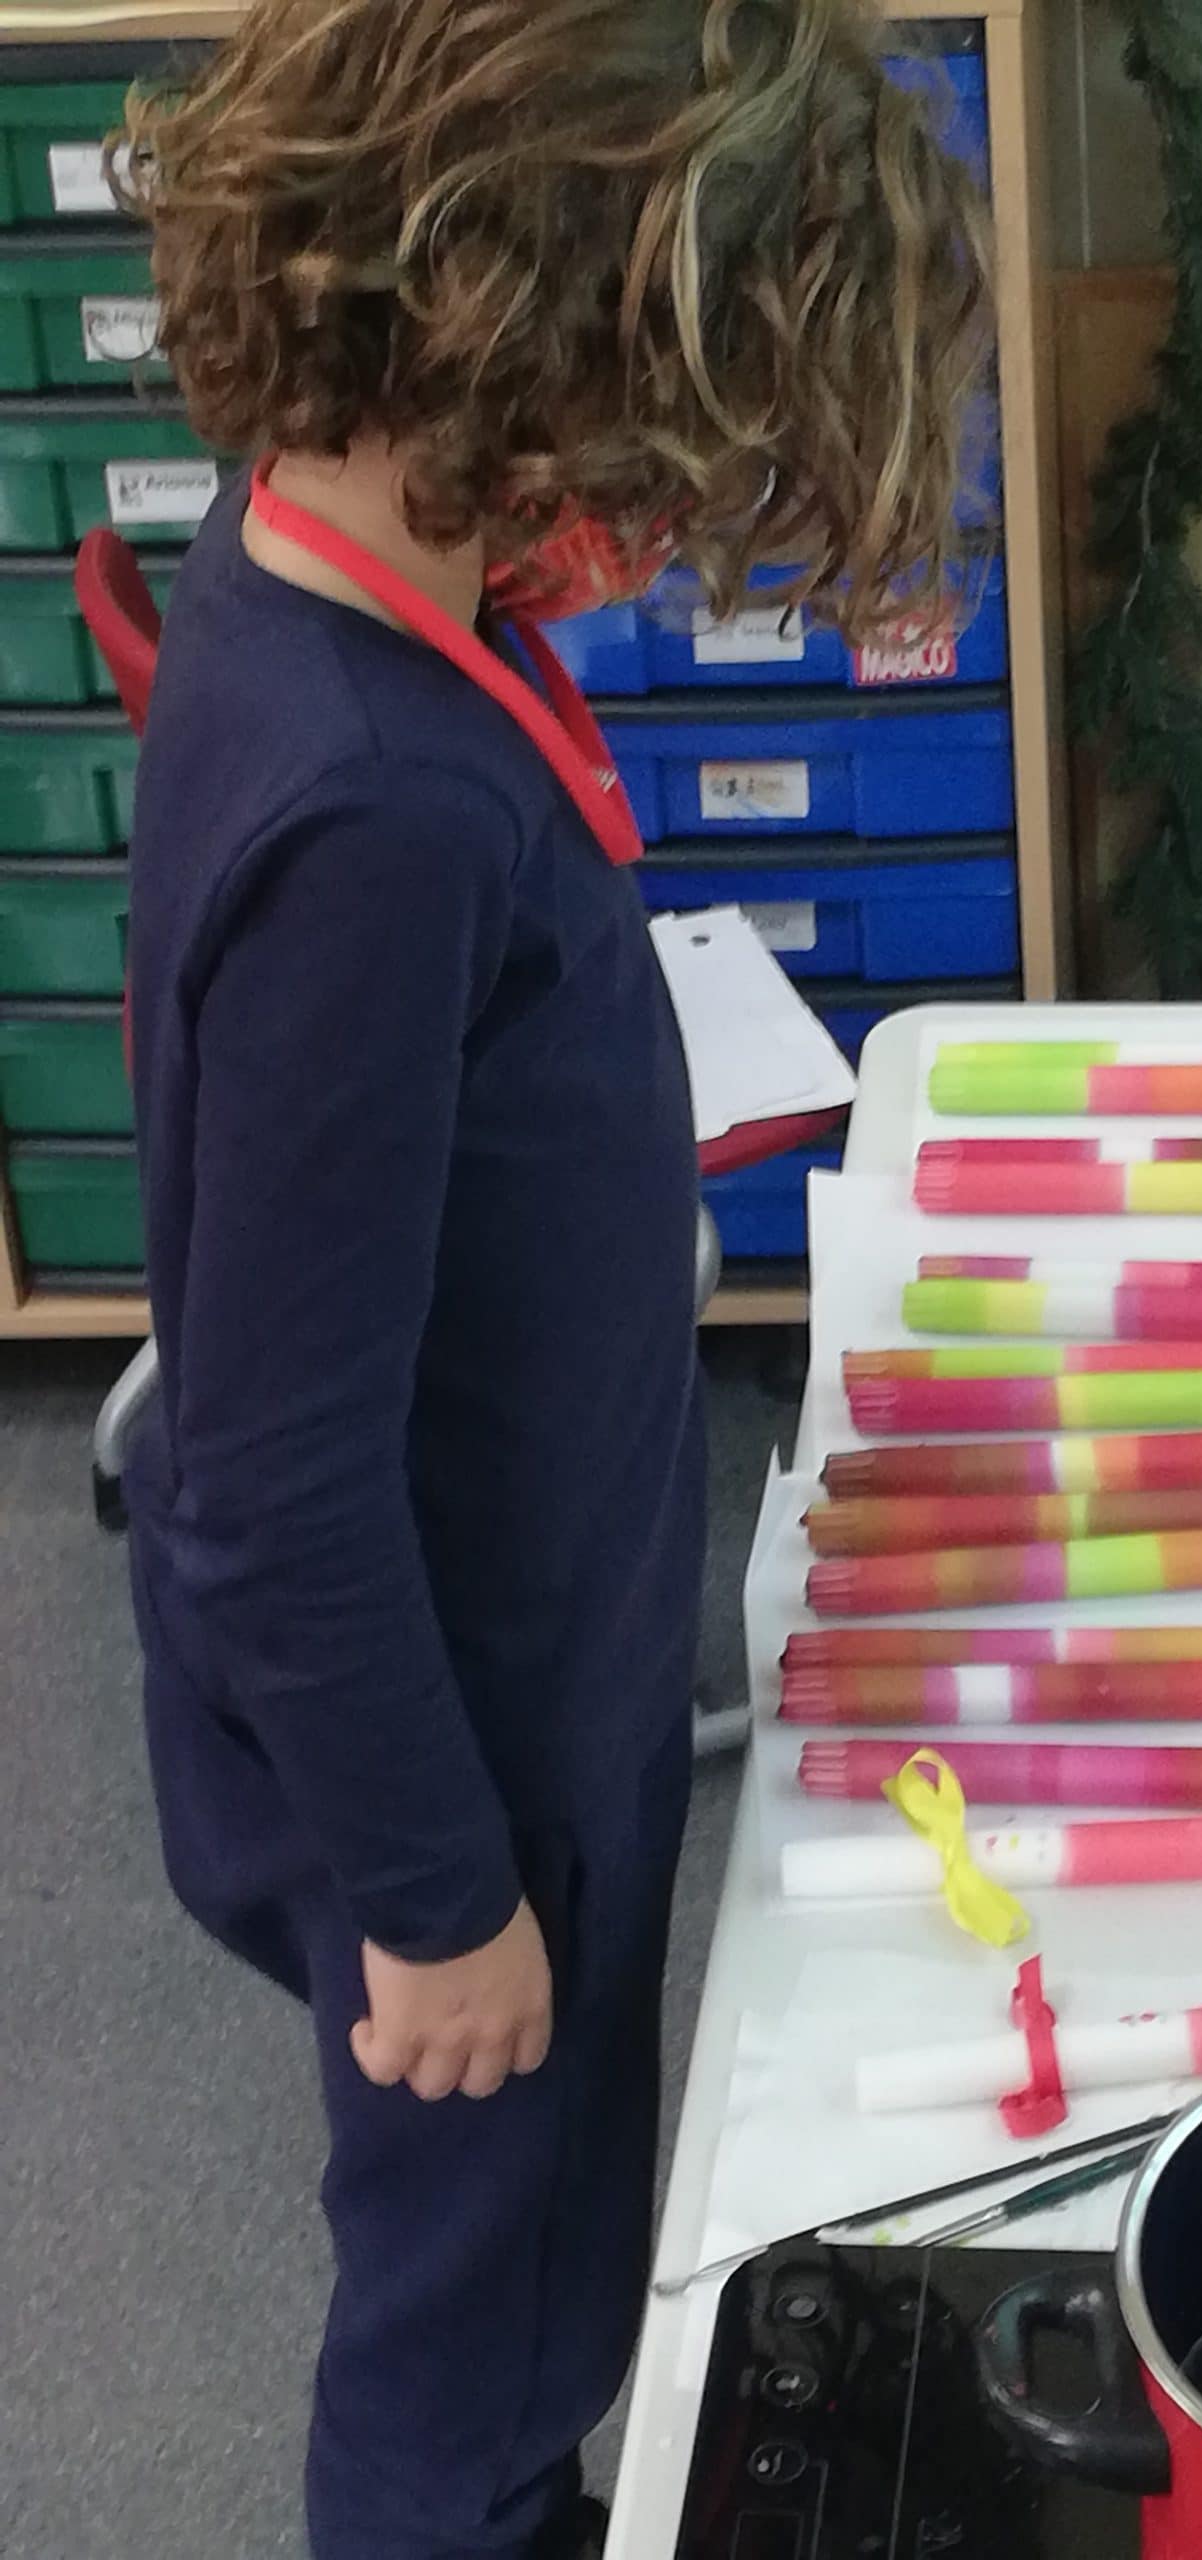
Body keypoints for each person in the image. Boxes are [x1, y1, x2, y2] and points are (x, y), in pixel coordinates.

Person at [113, 5, 990, 2555]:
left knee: (534, 2255)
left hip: (507, 1630)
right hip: (446, 1751)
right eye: (659, 440)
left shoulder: (332, 595)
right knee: (483, 2323)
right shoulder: (375, 804)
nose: (656, 513)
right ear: (514, 339)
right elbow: (273, 1477)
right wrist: (436, 1895)